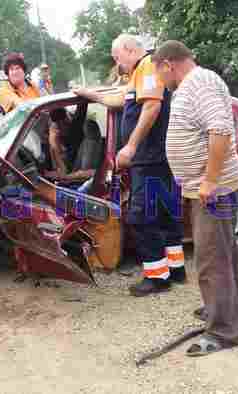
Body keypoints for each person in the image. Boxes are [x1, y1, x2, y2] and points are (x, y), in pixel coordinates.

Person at [151, 40, 238, 356]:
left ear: (168, 64)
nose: (158, 80)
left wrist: (209, 180)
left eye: (158, 72)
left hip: (213, 190)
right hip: (205, 187)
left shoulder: (199, 82)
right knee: (223, 252)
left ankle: (223, 332)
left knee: (210, 259)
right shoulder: (191, 84)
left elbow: (220, 129)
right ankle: (232, 310)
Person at [74, 34, 186, 297]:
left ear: (129, 49)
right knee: (165, 214)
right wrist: (88, 94)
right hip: (157, 159)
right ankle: (175, 269)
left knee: (141, 218)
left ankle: (158, 278)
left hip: (148, 159)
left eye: (117, 57)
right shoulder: (139, 73)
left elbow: (151, 108)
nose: (117, 63)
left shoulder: (148, 64)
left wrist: (131, 146)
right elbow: (118, 100)